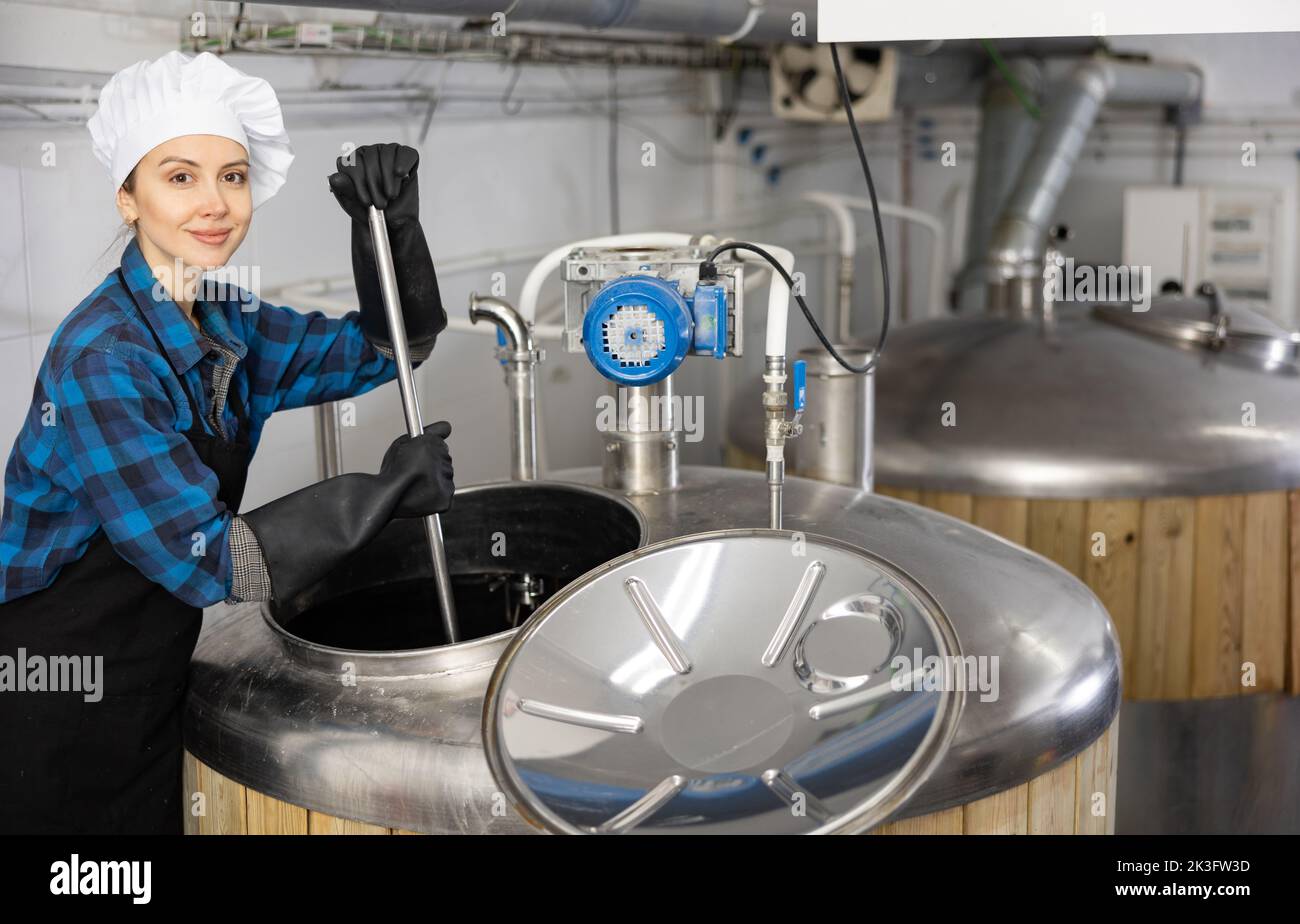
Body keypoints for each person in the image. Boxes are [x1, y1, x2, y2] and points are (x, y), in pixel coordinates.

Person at [0, 50, 455, 833]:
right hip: (55, 691)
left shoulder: (224, 318)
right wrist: (382, 495)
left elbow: (392, 349)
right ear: (128, 199)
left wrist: (387, 229)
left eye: (233, 176)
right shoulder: (104, 359)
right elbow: (216, 562)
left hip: (148, 664)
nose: (215, 204)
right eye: (180, 177)